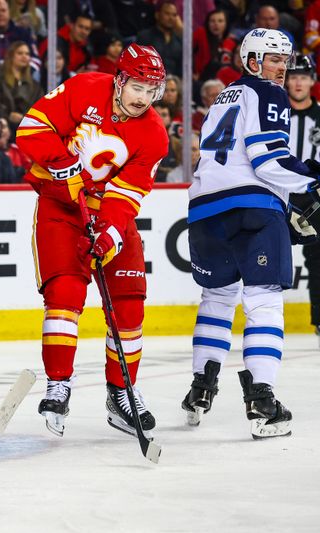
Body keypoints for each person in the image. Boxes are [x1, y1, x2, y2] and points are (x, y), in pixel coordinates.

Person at [15, 43, 169, 439]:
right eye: (137, 87)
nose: (144, 98)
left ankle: (121, 392)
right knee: (65, 293)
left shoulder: (153, 135)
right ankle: (59, 383)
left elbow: (129, 194)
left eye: (152, 91)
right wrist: (57, 158)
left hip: (107, 216)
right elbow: (31, 128)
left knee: (130, 301)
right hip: (61, 209)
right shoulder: (84, 88)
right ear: (119, 81)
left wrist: (111, 233)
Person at [181, 29, 320, 440]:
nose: (282, 68)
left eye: (285, 59)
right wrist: (311, 181)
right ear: (253, 61)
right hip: (252, 210)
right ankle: (262, 400)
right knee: (263, 298)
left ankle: (200, 388)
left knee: (217, 297)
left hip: (204, 212)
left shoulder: (222, 98)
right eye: (274, 59)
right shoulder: (269, 94)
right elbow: (268, 162)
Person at [284, 55, 320, 341]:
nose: (298, 82)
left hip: (313, 198)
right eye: (293, 76)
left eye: (303, 76)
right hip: (279, 194)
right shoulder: (275, 112)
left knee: (318, 259)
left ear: (312, 80)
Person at [0, 40, 43, 134]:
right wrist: (8, 115)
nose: (24, 56)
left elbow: (39, 109)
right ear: (11, 56)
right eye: (20, 53)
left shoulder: (34, 85)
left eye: (27, 54)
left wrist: (24, 118)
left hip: (26, 127)